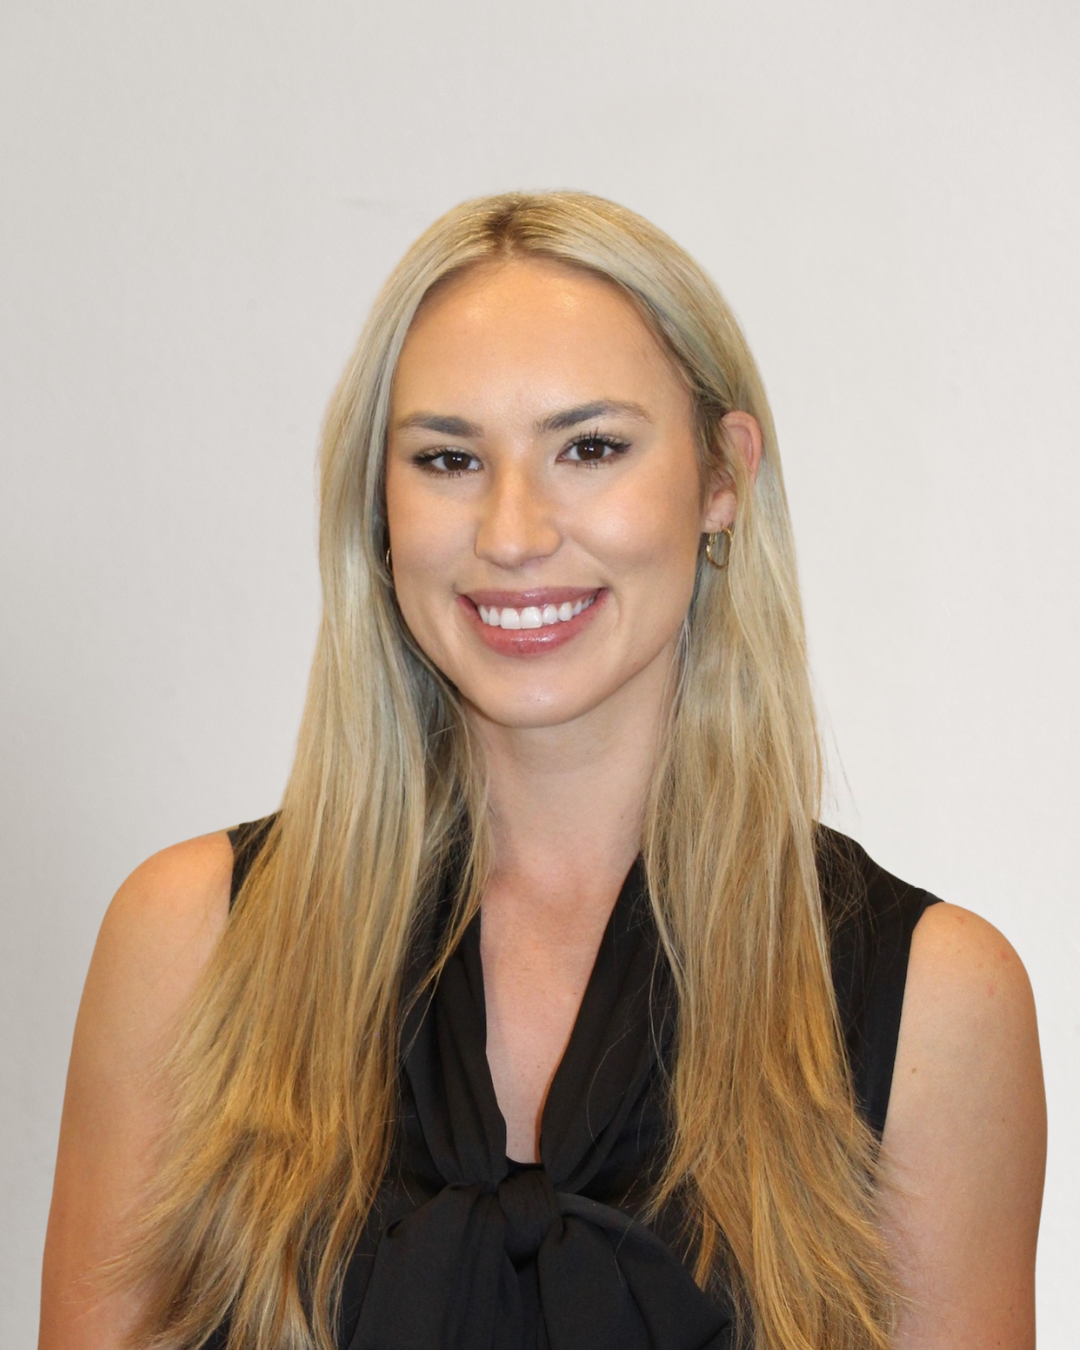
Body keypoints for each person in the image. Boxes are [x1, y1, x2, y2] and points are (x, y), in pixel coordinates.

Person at [40, 192, 1045, 1350]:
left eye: (590, 448)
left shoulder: (935, 1007)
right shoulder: (186, 945)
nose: (512, 532)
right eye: (449, 458)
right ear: (379, 505)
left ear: (723, 478)